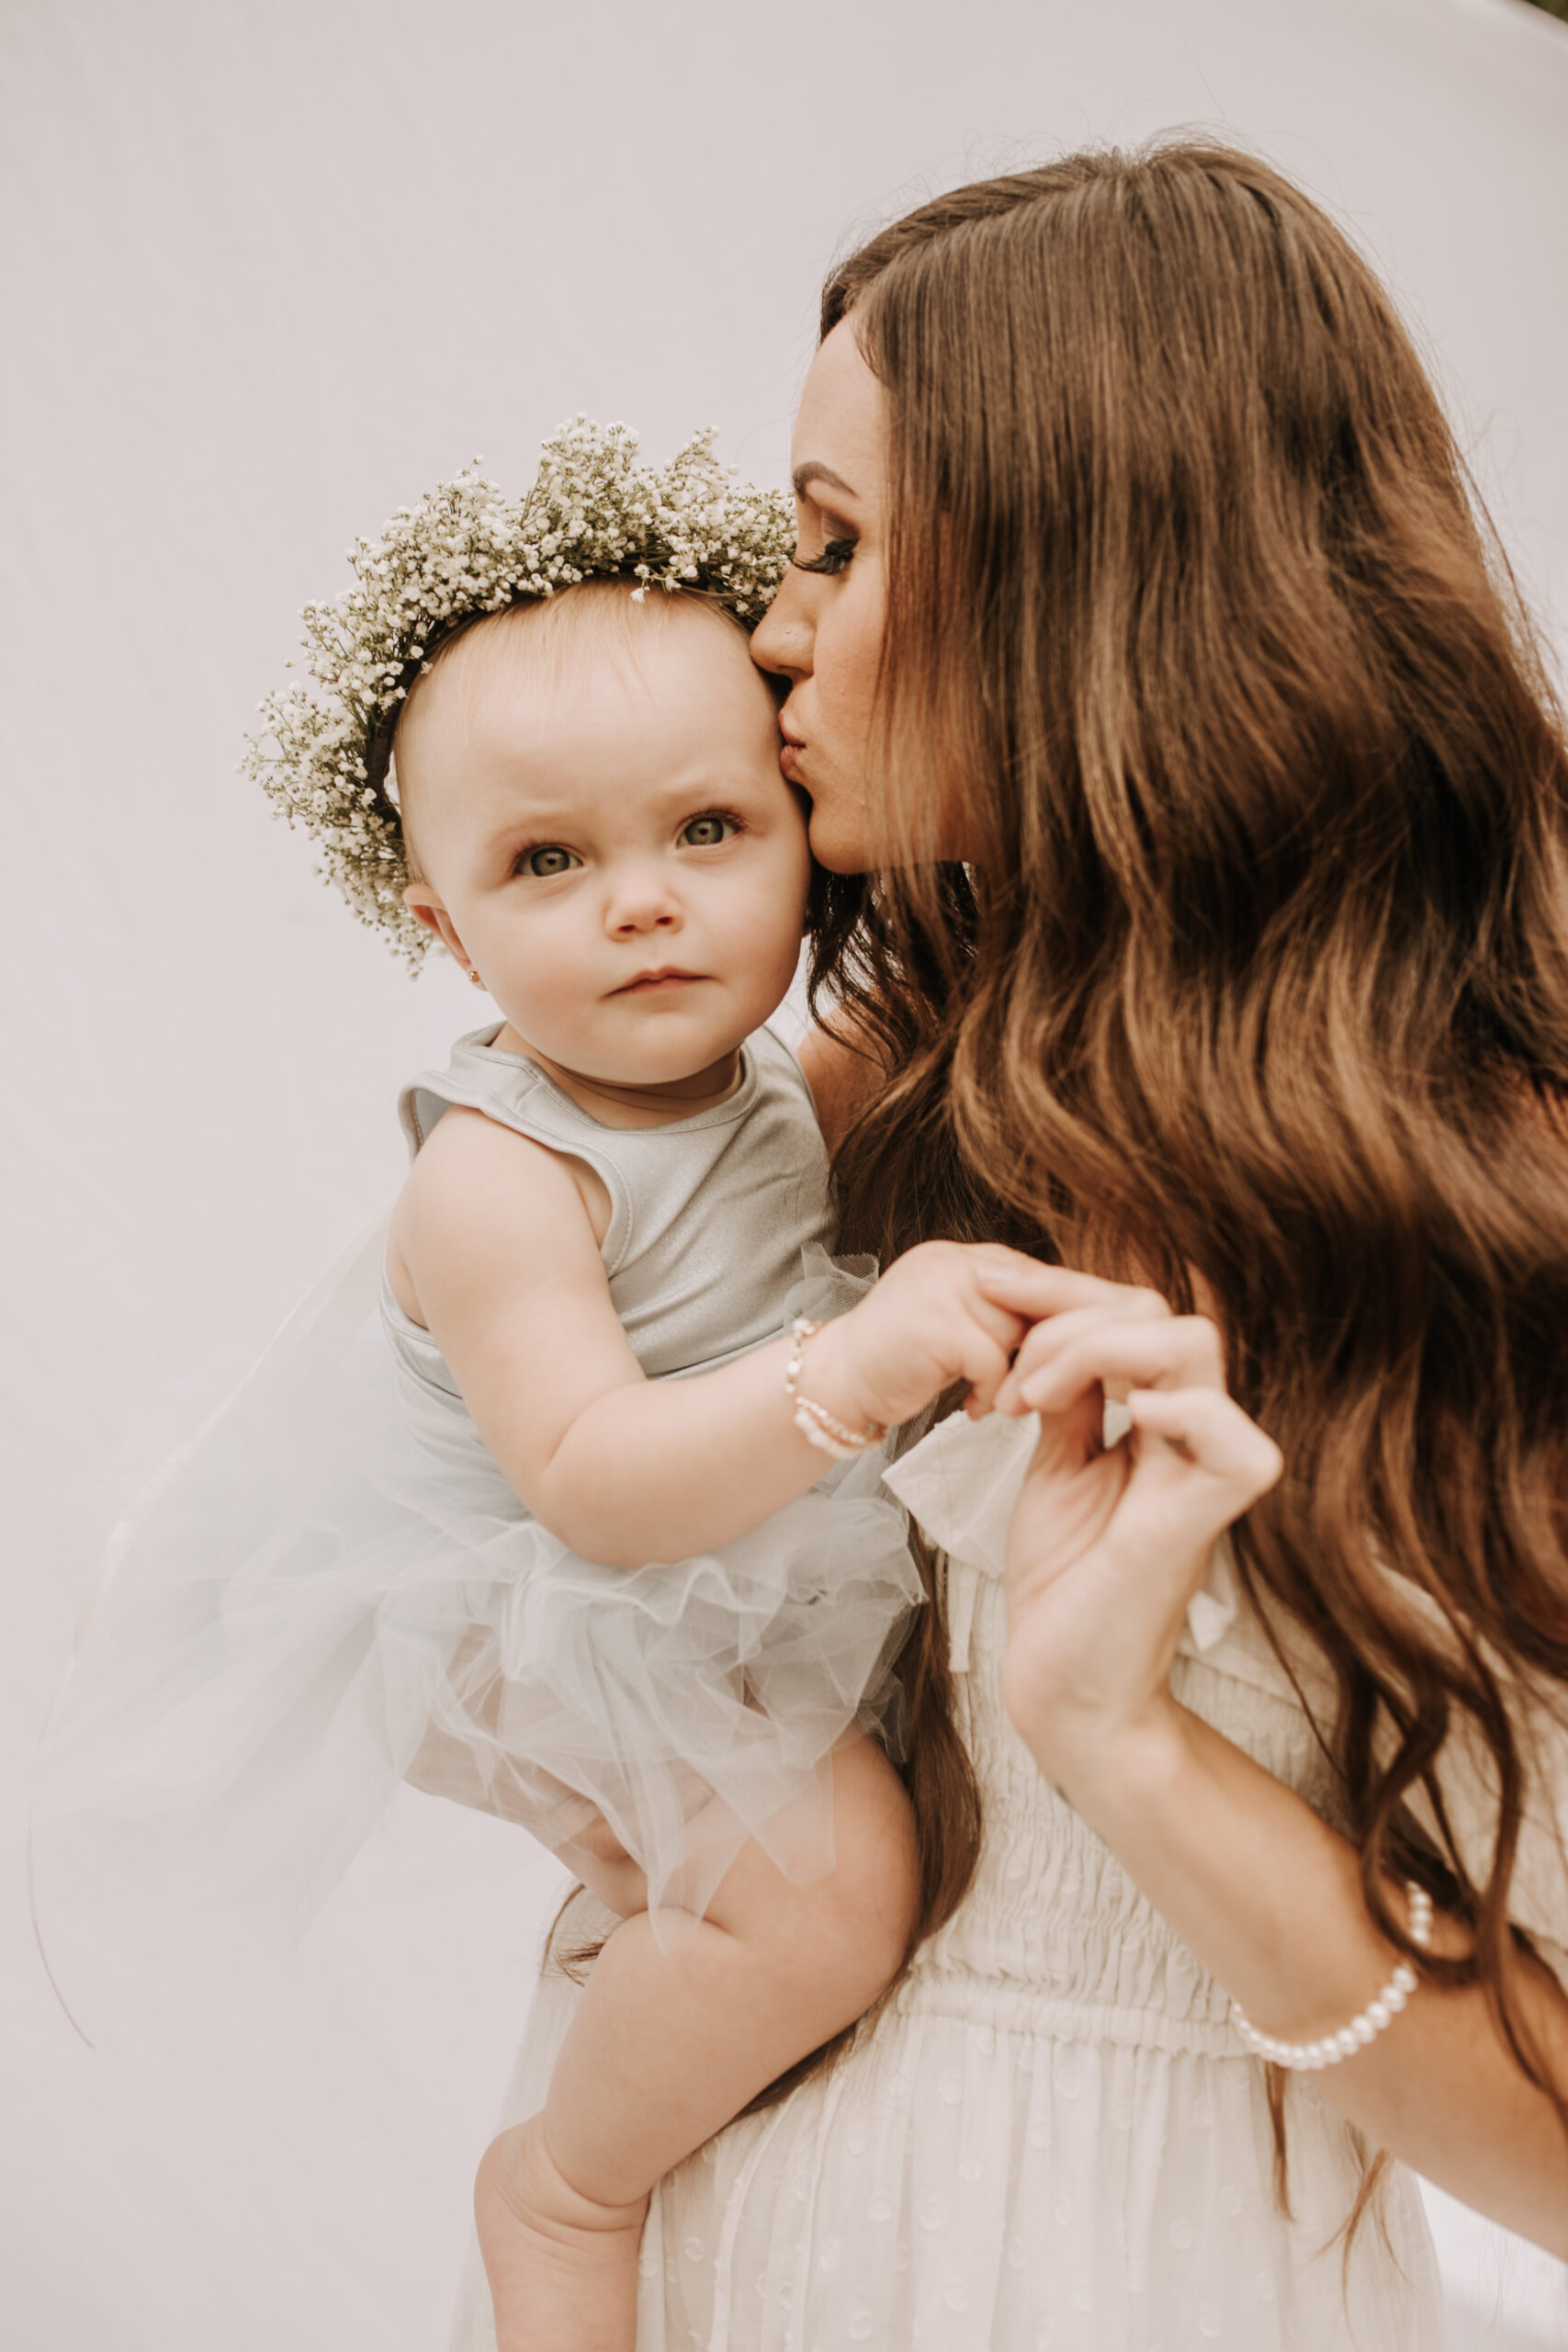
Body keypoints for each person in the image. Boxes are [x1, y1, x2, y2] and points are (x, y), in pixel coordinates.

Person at [442, 140, 1568, 2350]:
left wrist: (1123, 1739)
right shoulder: (837, 1114)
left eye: (836, 545)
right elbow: (340, 1528)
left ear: (1089, 585)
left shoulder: (1492, 1211)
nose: (768, 628)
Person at [33, 432, 1046, 2352]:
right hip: (523, 1569)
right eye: (546, 861)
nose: (643, 905)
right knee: (832, 1889)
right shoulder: (497, 1174)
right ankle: (565, 2187)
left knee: (816, 1838)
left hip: (692, 1529)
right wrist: (852, 1362)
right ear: (443, 925)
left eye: (704, 832)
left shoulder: (774, 1076)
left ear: (794, 826)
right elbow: (585, 1476)